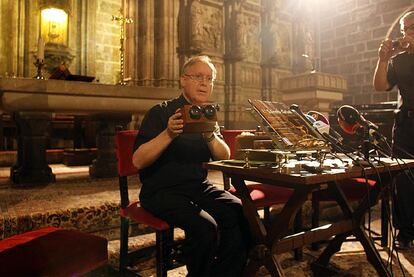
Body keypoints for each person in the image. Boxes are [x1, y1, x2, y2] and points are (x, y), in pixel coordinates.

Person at [132, 55, 251, 276]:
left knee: (242, 212)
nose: (205, 83)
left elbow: (223, 155)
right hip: (161, 190)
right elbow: (138, 160)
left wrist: (210, 135)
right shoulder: (161, 112)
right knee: (205, 228)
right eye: (198, 77)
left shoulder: (206, 114)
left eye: (209, 78)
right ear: (183, 80)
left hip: (196, 187)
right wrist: (168, 134)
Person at [373, 11, 414, 250]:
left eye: (412, 28)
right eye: (405, 30)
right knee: (403, 179)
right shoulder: (399, 61)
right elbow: (380, 86)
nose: (407, 33)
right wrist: (383, 59)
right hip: (406, 124)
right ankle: (405, 232)